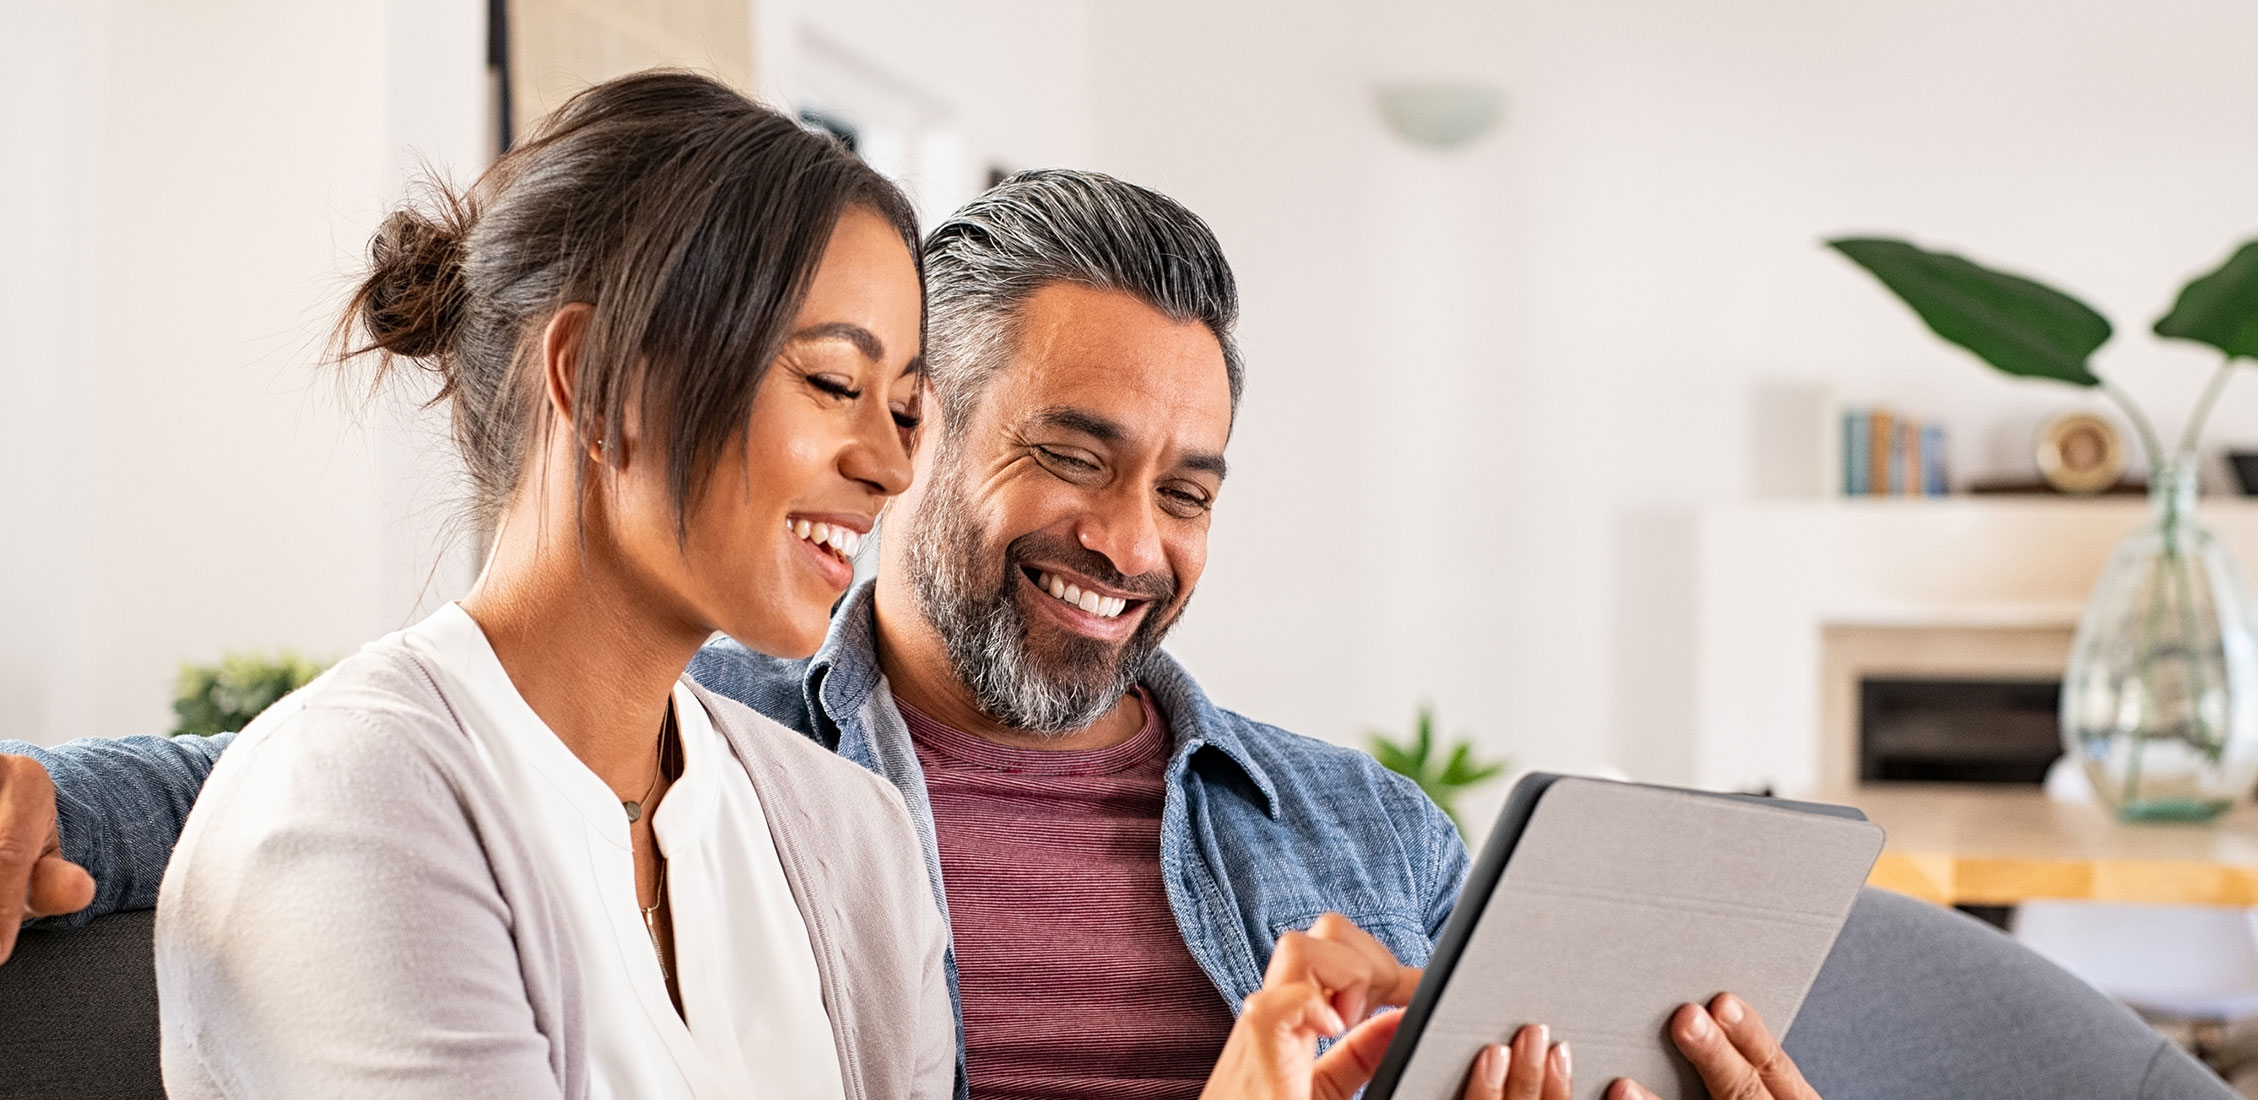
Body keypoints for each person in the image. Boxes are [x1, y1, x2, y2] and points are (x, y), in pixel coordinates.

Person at [0, 149, 1814, 1100]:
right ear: (918, 424)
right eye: (1072, 455)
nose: (1126, 540)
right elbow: (332, 776)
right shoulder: (708, 737)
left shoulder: (1364, 836)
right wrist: (53, 803)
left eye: (1187, 490)